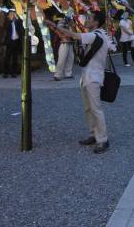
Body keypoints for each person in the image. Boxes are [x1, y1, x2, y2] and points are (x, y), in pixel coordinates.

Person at [46, 11, 117, 154]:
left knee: (95, 109)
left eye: (90, 18)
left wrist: (55, 26)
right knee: (88, 109)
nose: (87, 20)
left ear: (96, 22)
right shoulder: (98, 35)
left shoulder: (95, 35)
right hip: (88, 77)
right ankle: (94, 134)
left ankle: (102, 139)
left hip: (93, 78)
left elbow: (73, 36)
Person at [3, 10, 24, 78]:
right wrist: (10, 20)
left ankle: (14, 72)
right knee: (7, 57)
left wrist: (16, 18)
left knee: (15, 58)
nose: (12, 15)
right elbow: (5, 27)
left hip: (16, 41)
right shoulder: (7, 22)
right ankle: (6, 72)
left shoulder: (18, 22)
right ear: (8, 15)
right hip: (9, 41)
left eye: (13, 14)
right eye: (11, 14)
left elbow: (21, 28)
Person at [53, 16, 76, 81]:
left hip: (70, 41)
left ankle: (68, 73)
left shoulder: (71, 22)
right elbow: (58, 30)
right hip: (63, 41)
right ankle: (57, 75)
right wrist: (62, 36)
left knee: (70, 58)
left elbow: (73, 31)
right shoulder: (62, 21)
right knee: (62, 59)